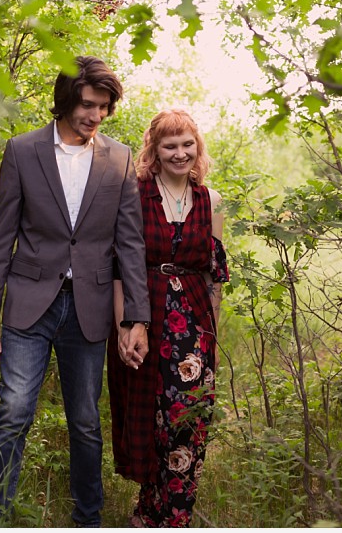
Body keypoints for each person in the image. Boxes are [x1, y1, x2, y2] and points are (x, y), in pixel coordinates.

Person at [0, 56, 151, 527]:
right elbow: (0, 237)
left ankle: (87, 519)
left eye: (104, 108)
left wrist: (137, 316)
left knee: (85, 422)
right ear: (67, 100)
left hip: (89, 310)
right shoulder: (22, 150)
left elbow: (129, 244)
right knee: (13, 412)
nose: (95, 116)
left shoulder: (119, 158)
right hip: (29, 304)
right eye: (89, 105)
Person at [108, 109, 230, 528]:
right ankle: (147, 512)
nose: (180, 153)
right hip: (146, 317)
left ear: (197, 148)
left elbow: (214, 275)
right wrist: (126, 325)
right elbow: (121, 266)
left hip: (194, 323)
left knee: (188, 419)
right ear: (154, 151)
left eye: (187, 144)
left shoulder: (209, 200)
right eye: (170, 145)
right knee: (150, 420)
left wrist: (212, 336)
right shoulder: (136, 193)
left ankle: (175, 517)